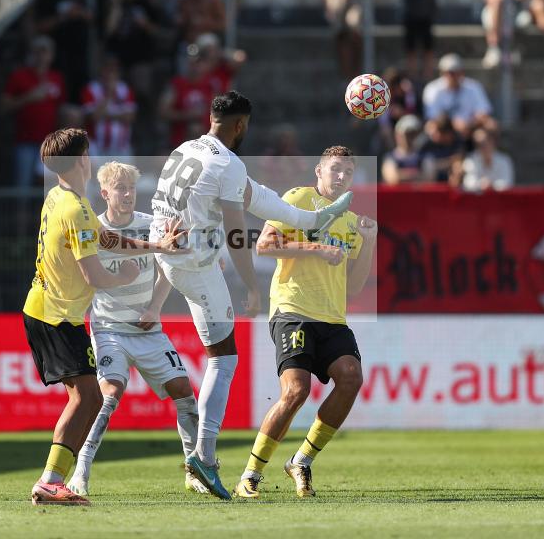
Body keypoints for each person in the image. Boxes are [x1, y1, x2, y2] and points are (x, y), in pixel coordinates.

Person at [150, 91, 354, 499]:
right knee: (224, 359)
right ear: (241, 125)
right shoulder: (227, 163)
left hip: (169, 253)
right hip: (195, 264)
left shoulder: (184, 148)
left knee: (257, 194)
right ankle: (204, 461)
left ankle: (313, 219)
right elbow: (236, 233)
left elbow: (192, 206)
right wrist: (250, 287)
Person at [26, 128, 187, 506]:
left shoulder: (59, 196)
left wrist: (154, 246)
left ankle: (59, 479)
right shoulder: (75, 208)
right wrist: (124, 277)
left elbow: (106, 238)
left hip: (48, 310)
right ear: (84, 159)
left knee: (92, 398)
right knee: (85, 397)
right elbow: (94, 276)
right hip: (56, 315)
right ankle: (51, 480)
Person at [233, 146, 376, 499]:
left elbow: (354, 287)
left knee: (351, 376)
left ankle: (302, 459)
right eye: (335, 169)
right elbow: (264, 245)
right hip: (292, 310)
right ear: (319, 171)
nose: (341, 176)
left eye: (347, 171)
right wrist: (317, 249)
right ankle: (251, 474)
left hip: (331, 317)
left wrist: (369, 242)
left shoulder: (351, 222)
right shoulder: (299, 198)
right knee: (296, 391)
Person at [66, 162, 205, 496]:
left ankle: (194, 470)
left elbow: (166, 270)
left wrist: (155, 307)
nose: (127, 194)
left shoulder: (149, 225)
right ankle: (80, 474)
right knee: (108, 395)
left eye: (131, 188)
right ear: (104, 193)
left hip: (148, 329)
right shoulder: (94, 230)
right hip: (109, 329)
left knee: (186, 394)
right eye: (120, 188)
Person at [1, 36, 67, 187]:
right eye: (37, 52)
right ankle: (21, 212)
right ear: (31, 54)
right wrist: (28, 97)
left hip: (51, 144)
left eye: (45, 52)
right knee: (22, 186)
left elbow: (61, 109)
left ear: (51, 55)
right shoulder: (19, 76)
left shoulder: (56, 78)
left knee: (50, 188)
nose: (41, 56)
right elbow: (4, 106)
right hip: (25, 142)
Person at [33, 0, 92, 102]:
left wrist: (80, 13)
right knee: (59, 94)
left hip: (80, 54)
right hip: (57, 55)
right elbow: (40, 26)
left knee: (80, 93)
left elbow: (92, 17)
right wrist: (63, 17)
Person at [422, 54, 497, 143]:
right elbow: (432, 117)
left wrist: (469, 124)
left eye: (456, 72)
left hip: (471, 127)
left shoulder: (473, 86)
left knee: (491, 125)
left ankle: (486, 156)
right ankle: (440, 155)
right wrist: (454, 124)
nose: (453, 76)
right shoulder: (432, 89)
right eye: (449, 72)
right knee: (431, 128)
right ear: (442, 73)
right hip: (444, 128)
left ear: (462, 72)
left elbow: (483, 112)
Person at [158, 46, 216, 149]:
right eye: (191, 62)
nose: (194, 66)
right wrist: (187, 115)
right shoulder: (177, 85)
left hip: (206, 145)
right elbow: (163, 112)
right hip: (179, 144)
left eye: (198, 61)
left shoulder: (211, 85)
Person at [81, 56, 137, 158]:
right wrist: (109, 94)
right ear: (101, 70)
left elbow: (130, 118)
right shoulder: (91, 89)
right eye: (107, 69)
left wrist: (105, 115)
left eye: (113, 70)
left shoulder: (125, 89)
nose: (110, 74)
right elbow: (94, 117)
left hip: (122, 147)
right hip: (97, 148)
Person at [419, 113, 465, 184]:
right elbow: (426, 165)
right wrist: (449, 161)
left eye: (437, 132)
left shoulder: (458, 141)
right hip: (432, 181)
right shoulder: (427, 143)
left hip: (451, 179)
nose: (434, 134)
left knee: (458, 168)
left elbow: (458, 159)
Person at [381, 114, 424, 185]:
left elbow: (428, 177)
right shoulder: (390, 157)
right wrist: (417, 174)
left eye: (413, 134)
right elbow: (392, 178)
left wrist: (401, 174)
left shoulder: (423, 156)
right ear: (397, 135)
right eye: (406, 134)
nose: (409, 137)